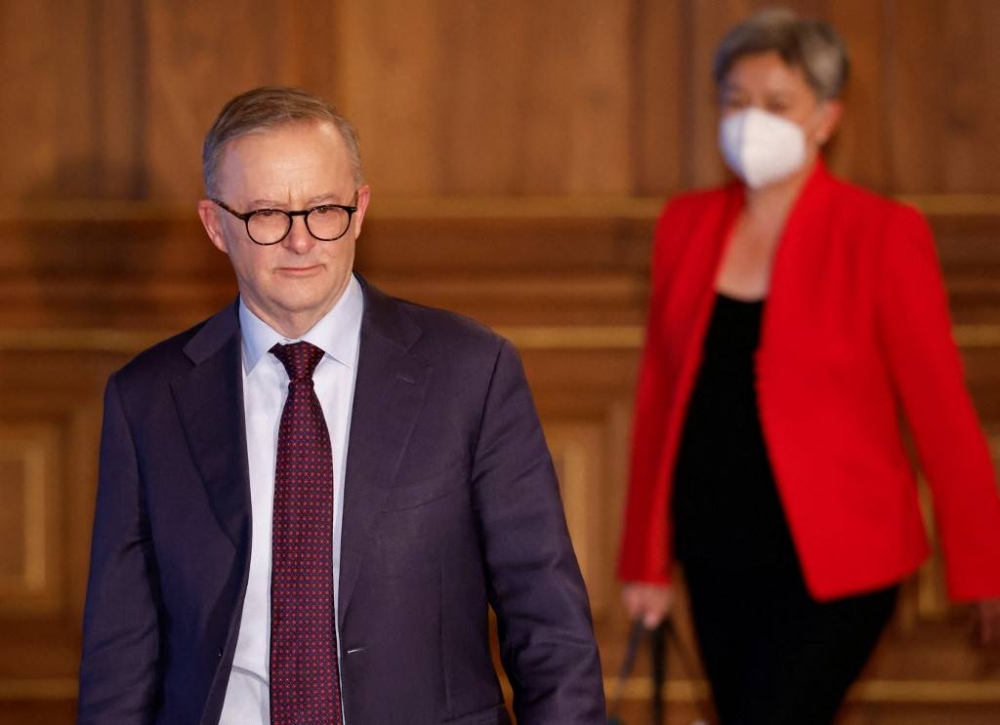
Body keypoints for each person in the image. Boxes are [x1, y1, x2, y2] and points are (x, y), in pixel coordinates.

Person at [78, 86, 606, 725]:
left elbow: (547, 622)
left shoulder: (471, 371)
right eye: (267, 214)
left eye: (323, 209)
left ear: (359, 210)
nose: (301, 242)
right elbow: (120, 655)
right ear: (216, 226)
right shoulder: (147, 400)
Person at [618, 9, 1000, 724]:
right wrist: (646, 558)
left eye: (775, 104)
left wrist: (986, 566)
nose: (749, 119)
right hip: (716, 546)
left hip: (840, 560)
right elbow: (659, 399)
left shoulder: (883, 232)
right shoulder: (685, 224)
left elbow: (941, 411)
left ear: (826, 117)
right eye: (735, 100)